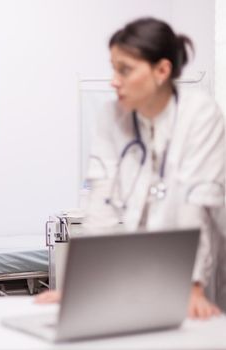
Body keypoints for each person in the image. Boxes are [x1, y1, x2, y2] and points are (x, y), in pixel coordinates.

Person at [37, 17, 225, 319]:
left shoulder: (199, 113)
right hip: (147, 261)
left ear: (162, 70)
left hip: (205, 264)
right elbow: (100, 204)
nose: (114, 80)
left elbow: (196, 203)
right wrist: (82, 286)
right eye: (113, 68)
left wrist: (193, 284)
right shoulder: (112, 117)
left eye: (124, 69)